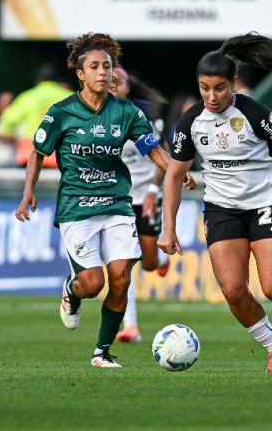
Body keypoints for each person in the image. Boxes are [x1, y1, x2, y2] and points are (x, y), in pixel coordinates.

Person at [15, 33, 195, 369]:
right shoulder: (62, 112)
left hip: (116, 205)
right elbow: (37, 154)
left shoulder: (126, 112)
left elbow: (153, 150)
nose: (103, 72)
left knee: (122, 278)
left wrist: (176, 170)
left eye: (107, 66)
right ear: (80, 74)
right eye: (95, 67)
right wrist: (28, 192)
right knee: (93, 283)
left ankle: (102, 352)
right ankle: (73, 289)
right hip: (77, 208)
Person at [160, 33, 272, 373]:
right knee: (234, 290)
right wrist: (169, 228)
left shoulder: (254, 112)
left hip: (266, 203)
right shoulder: (191, 121)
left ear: (233, 83)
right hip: (222, 208)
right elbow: (174, 175)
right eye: (204, 88)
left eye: (219, 88)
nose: (212, 96)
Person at [109, 66, 171, 344]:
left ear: (128, 87)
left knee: (147, 262)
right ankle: (130, 326)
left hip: (146, 196)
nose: (112, 85)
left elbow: (162, 156)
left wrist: (154, 190)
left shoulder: (143, 118)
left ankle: (161, 259)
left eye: (118, 82)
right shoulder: (95, 119)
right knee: (123, 262)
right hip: (117, 200)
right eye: (108, 82)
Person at [0, 63, 73, 165]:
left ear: (38, 80)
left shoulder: (27, 97)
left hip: (30, 154)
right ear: (57, 80)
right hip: (61, 155)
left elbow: (6, 122)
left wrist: (11, 136)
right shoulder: (69, 97)